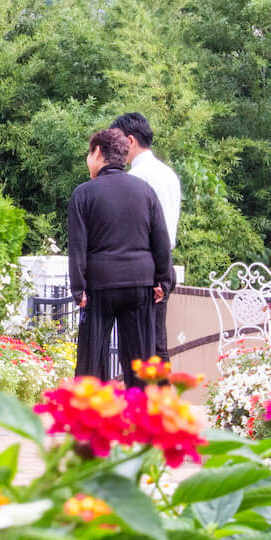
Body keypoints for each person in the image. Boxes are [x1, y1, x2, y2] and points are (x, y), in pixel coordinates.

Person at [67, 128, 173, 387]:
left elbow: (78, 246)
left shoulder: (84, 193)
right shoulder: (146, 192)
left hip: (99, 285)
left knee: (92, 357)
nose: (88, 160)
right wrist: (165, 281)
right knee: (140, 358)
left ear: (99, 153)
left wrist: (78, 288)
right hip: (140, 283)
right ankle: (141, 418)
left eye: (89, 154)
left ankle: (90, 416)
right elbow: (161, 240)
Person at [110, 113, 181, 360]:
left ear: (130, 140)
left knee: (138, 347)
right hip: (164, 263)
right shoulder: (168, 174)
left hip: (143, 266)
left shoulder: (137, 178)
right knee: (157, 343)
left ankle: (143, 397)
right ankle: (160, 397)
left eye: (117, 142)